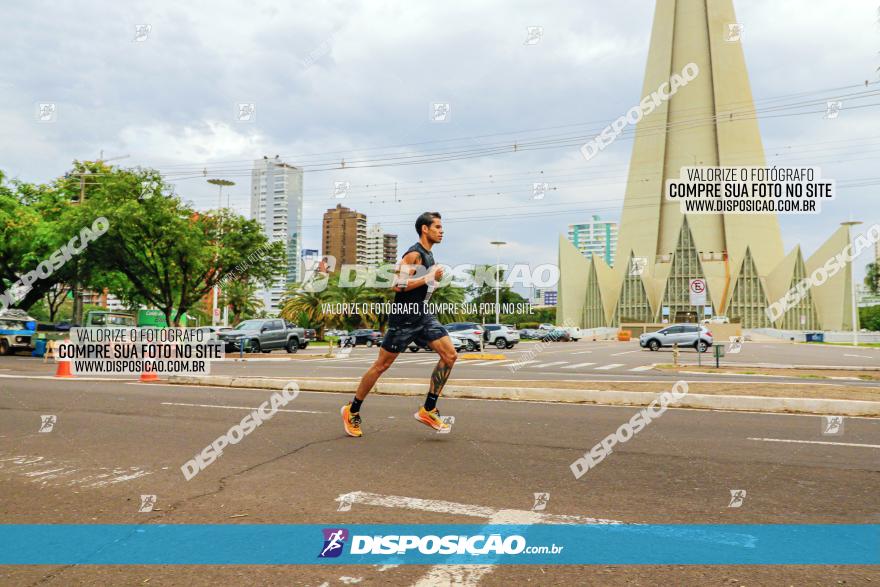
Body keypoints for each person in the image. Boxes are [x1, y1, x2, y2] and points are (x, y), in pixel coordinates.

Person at [341, 212, 457, 437]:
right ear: (425, 229)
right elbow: (397, 285)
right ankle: (351, 410)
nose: (441, 231)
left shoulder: (429, 256)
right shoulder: (414, 254)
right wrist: (427, 279)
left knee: (450, 356)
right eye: (438, 227)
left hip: (422, 315)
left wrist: (431, 283)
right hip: (403, 318)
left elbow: (423, 288)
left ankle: (428, 409)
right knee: (381, 366)